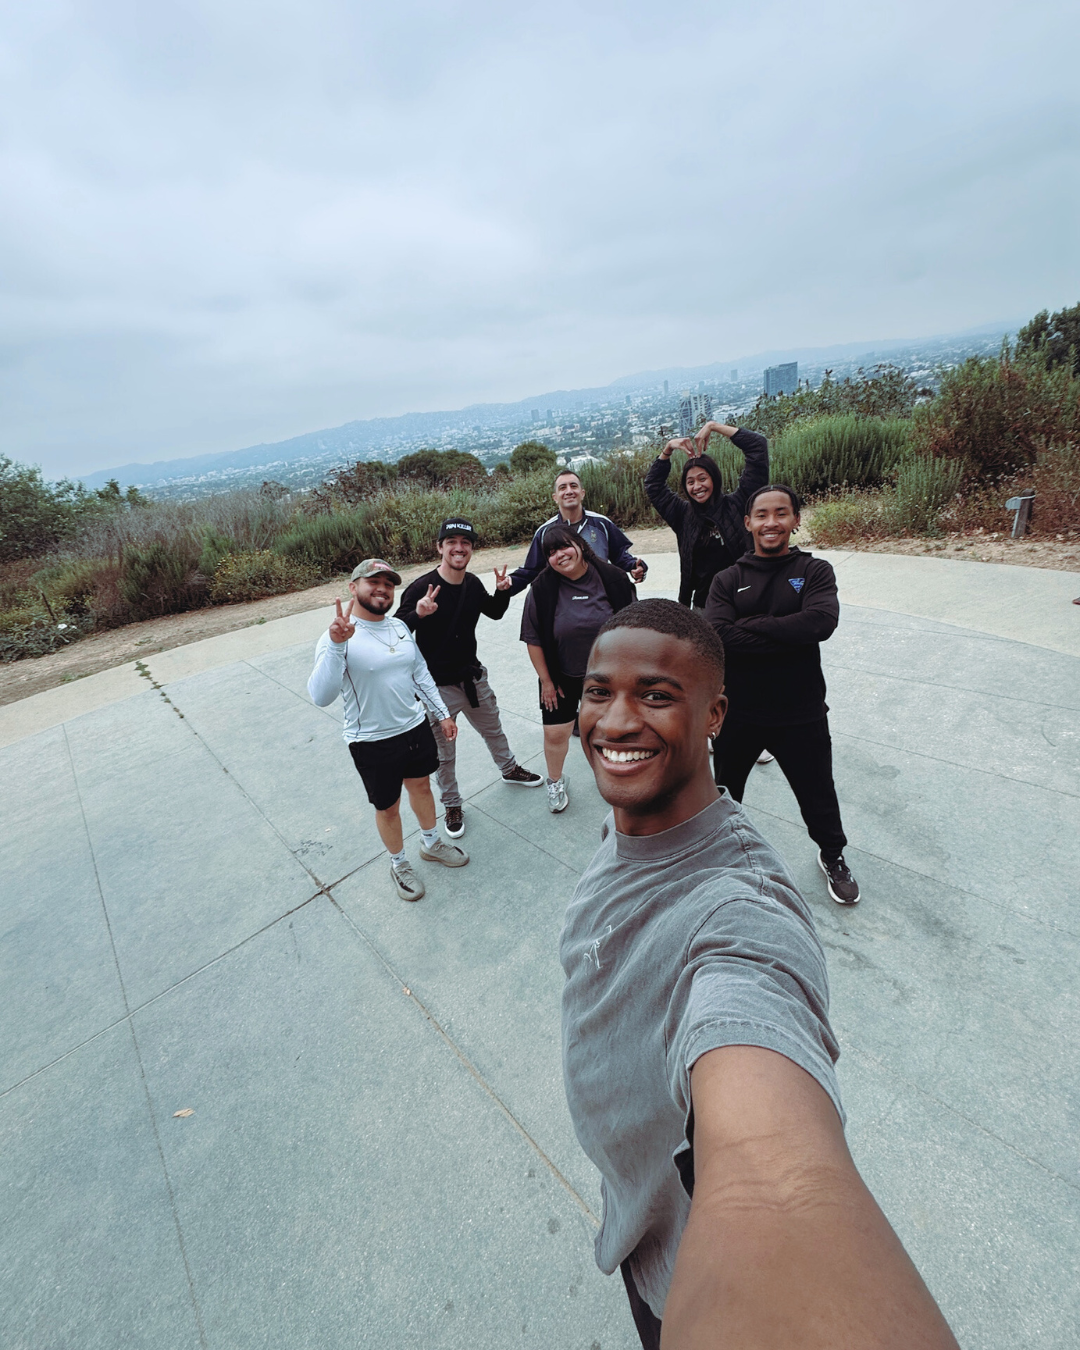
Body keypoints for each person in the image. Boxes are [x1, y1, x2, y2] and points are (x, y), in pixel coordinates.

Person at [563, 598, 959, 1350]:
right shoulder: (633, 818)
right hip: (635, 1213)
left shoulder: (739, 911)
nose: (614, 722)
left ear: (715, 716)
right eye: (598, 690)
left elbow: (776, 1175)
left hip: (677, 1270)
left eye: (656, 695)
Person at [705, 484, 861, 905]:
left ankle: (833, 855)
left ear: (794, 520)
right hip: (739, 711)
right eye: (762, 514)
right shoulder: (727, 579)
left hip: (801, 708)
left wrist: (750, 625)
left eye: (781, 513)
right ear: (748, 522)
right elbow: (717, 636)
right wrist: (787, 630)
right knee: (723, 793)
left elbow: (821, 622)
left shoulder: (815, 571)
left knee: (817, 792)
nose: (771, 522)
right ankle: (718, 857)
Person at [307, 558, 468, 903]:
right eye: (372, 582)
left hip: (414, 728)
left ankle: (430, 843)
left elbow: (419, 673)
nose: (382, 589)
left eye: (388, 584)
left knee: (422, 787)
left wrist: (442, 714)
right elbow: (321, 696)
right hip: (372, 740)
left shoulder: (398, 627)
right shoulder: (338, 634)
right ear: (353, 588)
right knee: (389, 807)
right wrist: (336, 644)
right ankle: (399, 863)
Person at [395, 518, 543, 839]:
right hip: (437, 689)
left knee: (494, 729)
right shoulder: (422, 588)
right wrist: (418, 614)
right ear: (440, 547)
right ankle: (451, 804)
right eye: (452, 542)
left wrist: (502, 592)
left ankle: (509, 770)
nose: (459, 548)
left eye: (466, 542)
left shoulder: (472, 584)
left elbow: (493, 611)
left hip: (473, 678)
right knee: (444, 755)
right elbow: (394, 632)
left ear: (472, 549)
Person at [519, 526, 635, 813]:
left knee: (612, 732)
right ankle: (556, 781)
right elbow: (533, 639)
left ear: (580, 545)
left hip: (609, 677)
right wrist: (546, 681)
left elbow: (636, 627)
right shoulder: (542, 589)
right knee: (556, 734)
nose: (560, 555)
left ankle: (617, 777)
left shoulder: (613, 578)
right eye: (551, 552)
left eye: (564, 546)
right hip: (561, 676)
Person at [643, 420, 769, 610]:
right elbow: (654, 486)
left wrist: (714, 426)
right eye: (690, 482)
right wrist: (667, 449)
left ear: (714, 479)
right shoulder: (682, 515)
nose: (697, 487)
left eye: (702, 478)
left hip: (746, 603)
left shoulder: (740, 504)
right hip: (705, 607)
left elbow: (757, 447)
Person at [508, 467, 647, 594]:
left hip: (600, 595)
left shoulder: (602, 524)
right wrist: (510, 583)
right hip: (562, 602)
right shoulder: (544, 532)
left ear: (582, 493)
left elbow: (620, 556)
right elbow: (532, 570)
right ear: (555, 497)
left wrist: (634, 566)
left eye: (573, 486)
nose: (569, 491)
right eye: (562, 488)